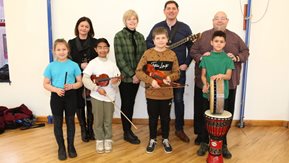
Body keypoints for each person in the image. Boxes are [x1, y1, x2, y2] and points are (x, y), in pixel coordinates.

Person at [190, 11, 249, 159]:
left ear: (227, 21)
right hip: (205, 85)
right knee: (203, 113)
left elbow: (246, 52)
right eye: (217, 18)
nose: (220, 21)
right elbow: (193, 51)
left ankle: (223, 144)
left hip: (228, 86)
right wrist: (201, 57)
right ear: (213, 20)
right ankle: (203, 140)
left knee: (224, 116)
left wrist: (237, 57)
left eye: (223, 18)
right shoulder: (203, 36)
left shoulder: (235, 37)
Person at [146, 0, 193, 143]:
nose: (171, 11)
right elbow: (148, 43)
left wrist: (186, 63)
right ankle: (162, 127)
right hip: (159, 73)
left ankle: (179, 128)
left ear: (177, 11)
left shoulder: (185, 28)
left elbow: (192, 48)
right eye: (168, 8)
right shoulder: (158, 27)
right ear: (164, 11)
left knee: (178, 100)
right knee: (161, 100)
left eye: (174, 8)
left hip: (177, 71)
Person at [136, 27, 180, 153]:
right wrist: (151, 81)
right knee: (153, 118)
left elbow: (177, 73)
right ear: (153, 40)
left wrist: (168, 77)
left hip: (167, 94)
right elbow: (139, 72)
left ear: (167, 40)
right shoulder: (147, 54)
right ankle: (152, 139)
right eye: (158, 38)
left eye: (163, 38)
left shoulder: (172, 54)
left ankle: (165, 139)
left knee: (166, 118)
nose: (161, 41)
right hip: (151, 94)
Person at [197, 30, 235, 156]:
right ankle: (204, 143)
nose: (218, 44)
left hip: (222, 95)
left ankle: (223, 145)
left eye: (221, 42)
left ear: (225, 43)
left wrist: (221, 75)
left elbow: (229, 76)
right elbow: (203, 75)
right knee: (205, 120)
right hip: (207, 94)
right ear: (211, 42)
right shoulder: (206, 58)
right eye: (216, 41)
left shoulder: (228, 59)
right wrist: (205, 84)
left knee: (221, 122)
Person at [43, 39, 82, 160]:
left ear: (68, 50)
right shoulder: (50, 66)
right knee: (58, 123)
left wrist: (72, 86)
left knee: (70, 122)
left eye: (64, 49)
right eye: (58, 49)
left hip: (70, 96)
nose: (61, 52)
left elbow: (80, 82)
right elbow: (45, 84)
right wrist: (55, 89)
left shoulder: (74, 65)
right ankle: (61, 147)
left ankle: (71, 146)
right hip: (56, 96)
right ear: (54, 51)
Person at [82, 38, 121, 153]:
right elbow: (85, 79)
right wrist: (96, 88)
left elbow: (117, 81)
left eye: (105, 47)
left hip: (110, 97)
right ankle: (99, 140)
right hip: (97, 96)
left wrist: (115, 83)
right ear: (96, 49)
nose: (103, 50)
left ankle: (108, 139)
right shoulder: (93, 63)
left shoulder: (112, 65)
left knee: (108, 120)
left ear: (108, 49)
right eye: (100, 47)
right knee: (98, 120)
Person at [114, 9, 147, 144]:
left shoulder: (140, 36)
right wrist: (132, 74)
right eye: (129, 19)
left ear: (137, 21)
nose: (132, 21)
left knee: (131, 103)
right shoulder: (119, 36)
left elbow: (143, 57)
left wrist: (138, 74)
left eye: (134, 19)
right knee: (126, 104)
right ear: (125, 21)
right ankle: (126, 132)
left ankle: (128, 130)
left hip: (137, 77)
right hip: (126, 78)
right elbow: (120, 59)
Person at [68, 16, 98, 142]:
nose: (84, 28)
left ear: (90, 28)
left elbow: (98, 60)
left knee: (91, 104)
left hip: (91, 77)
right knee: (79, 104)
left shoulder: (95, 42)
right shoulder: (71, 43)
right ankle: (83, 129)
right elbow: (68, 60)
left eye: (86, 26)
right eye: (82, 26)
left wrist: (89, 66)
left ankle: (91, 130)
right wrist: (80, 65)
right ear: (77, 27)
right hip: (77, 77)